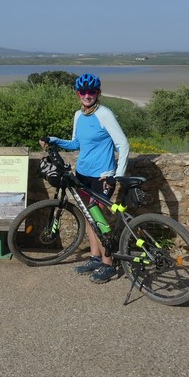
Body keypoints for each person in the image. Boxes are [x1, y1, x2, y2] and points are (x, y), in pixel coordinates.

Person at [40, 72, 130, 283]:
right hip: (82, 174)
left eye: (91, 92)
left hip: (102, 176)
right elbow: (75, 144)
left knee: (99, 217)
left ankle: (108, 264)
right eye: (83, 92)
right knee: (90, 216)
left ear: (98, 93)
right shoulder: (78, 115)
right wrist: (53, 139)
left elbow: (123, 144)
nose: (87, 96)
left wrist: (117, 175)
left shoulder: (105, 114)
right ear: (77, 94)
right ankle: (95, 258)